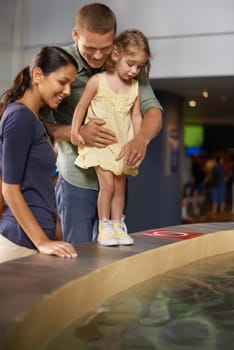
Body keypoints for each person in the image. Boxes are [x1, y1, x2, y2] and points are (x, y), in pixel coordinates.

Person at [45, 3, 163, 244]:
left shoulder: (128, 65)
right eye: (90, 48)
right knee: (78, 259)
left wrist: (141, 138)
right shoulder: (56, 63)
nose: (98, 56)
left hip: (117, 172)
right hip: (76, 182)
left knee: (111, 256)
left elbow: (153, 110)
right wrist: (74, 132)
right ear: (75, 35)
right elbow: (30, 117)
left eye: (105, 48)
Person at [71, 29, 151, 246]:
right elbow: (81, 106)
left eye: (139, 66)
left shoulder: (135, 88)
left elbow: (135, 116)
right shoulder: (98, 81)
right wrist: (75, 131)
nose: (134, 70)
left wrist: (139, 140)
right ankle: (104, 225)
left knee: (120, 186)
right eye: (131, 63)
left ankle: (117, 223)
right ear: (116, 56)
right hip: (101, 143)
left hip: (121, 145)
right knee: (107, 185)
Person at [0, 46, 78, 263]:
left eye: (71, 84)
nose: (68, 91)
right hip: (18, 243)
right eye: (63, 82)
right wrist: (42, 241)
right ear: (38, 75)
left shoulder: (34, 119)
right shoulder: (19, 117)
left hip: (31, 242)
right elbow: (10, 189)